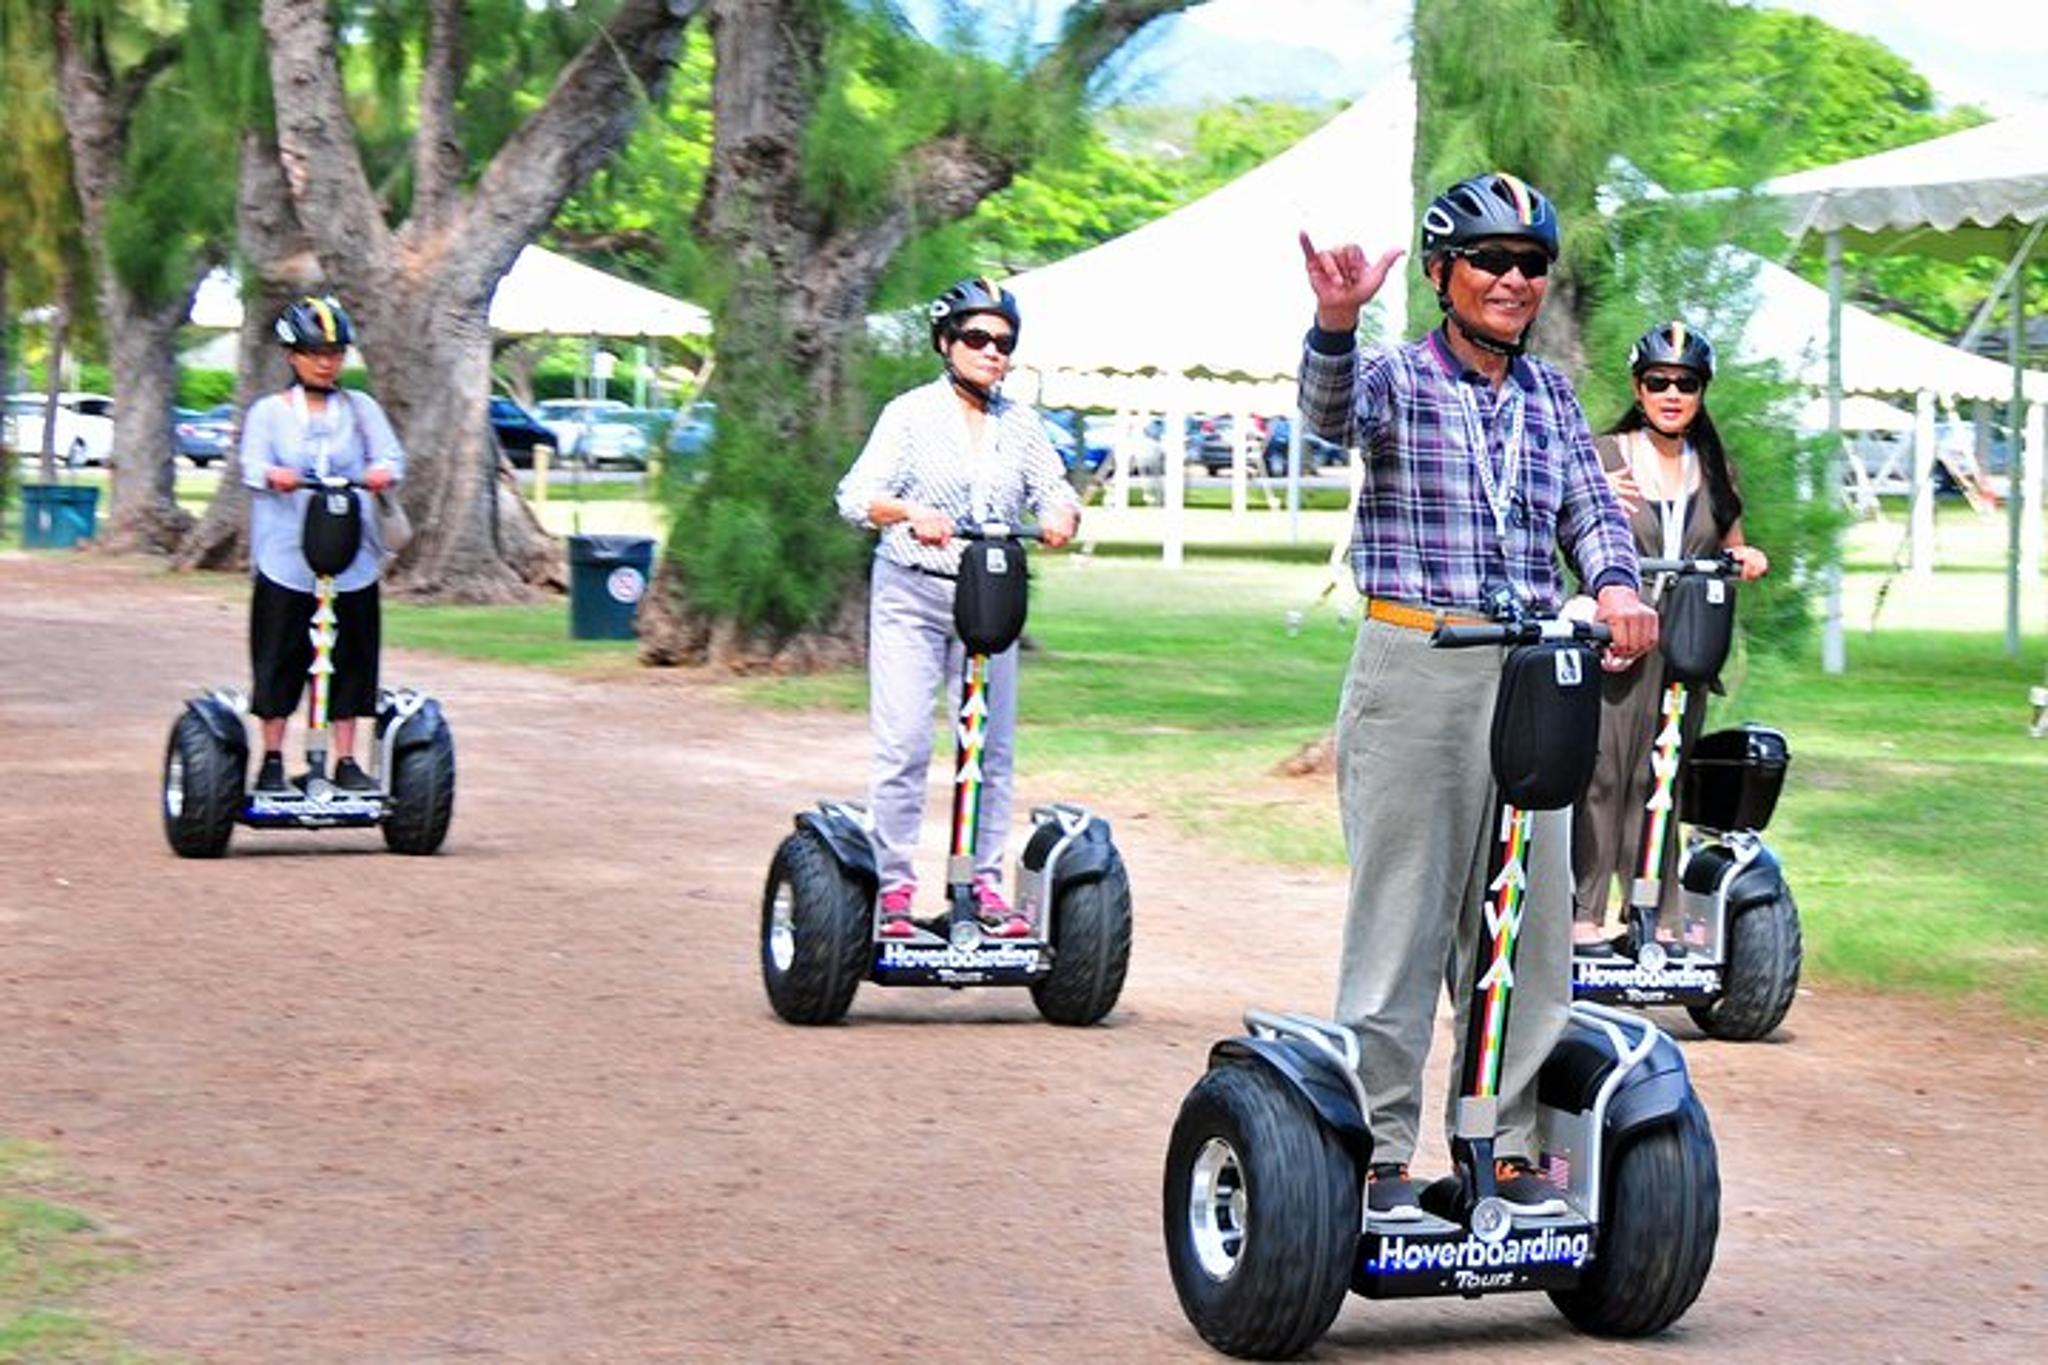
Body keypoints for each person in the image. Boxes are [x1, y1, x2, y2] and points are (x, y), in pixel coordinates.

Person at [1296, 172, 1659, 1219]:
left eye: (1530, 264)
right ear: (1444, 272)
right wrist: (1333, 320)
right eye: (1491, 260)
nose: (1513, 279)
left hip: (1531, 672)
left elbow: (1590, 512)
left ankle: (1503, 1146)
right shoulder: (1396, 381)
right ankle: (1370, 1153)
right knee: (1403, 917)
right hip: (1416, 665)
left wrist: (1617, 584)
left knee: (1529, 924)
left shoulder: (1548, 396)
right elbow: (1328, 415)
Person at [834, 277, 1081, 939]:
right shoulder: (910, 414)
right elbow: (856, 496)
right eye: (977, 337)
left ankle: (980, 885)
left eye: (1003, 342)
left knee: (989, 751)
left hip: (988, 600)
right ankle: (894, 890)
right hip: (911, 593)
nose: (992, 351)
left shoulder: (1020, 424)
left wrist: (1060, 513)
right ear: (946, 342)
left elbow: (1055, 489)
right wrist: (912, 512)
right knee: (905, 742)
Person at [1572, 322, 1770, 956]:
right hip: (1618, 637)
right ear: (1638, 386)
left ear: (1701, 393)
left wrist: (1748, 559)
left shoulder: (1713, 467)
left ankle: (1654, 911)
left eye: (1686, 384)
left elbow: (1735, 548)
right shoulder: (1604, 456)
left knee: (1664, 776)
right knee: (1604, 772)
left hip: (1686, 640)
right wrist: (1592, 495)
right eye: (1658, 381)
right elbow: (1563, 523)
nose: (1672, 393)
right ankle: (1584, 913)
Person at [240, 294, 406, 796]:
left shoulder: (361, 410)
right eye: (315, 352)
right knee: (280, 654)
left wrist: (381, 474)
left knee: (351, 656)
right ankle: (271, 758)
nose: (326, 361)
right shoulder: (269, 413)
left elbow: (392, 459)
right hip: (287, 557)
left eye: (334, 352)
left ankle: (346, 761)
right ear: (293, 356)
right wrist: (275, 474)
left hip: (350, 555)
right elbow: (249, 466)